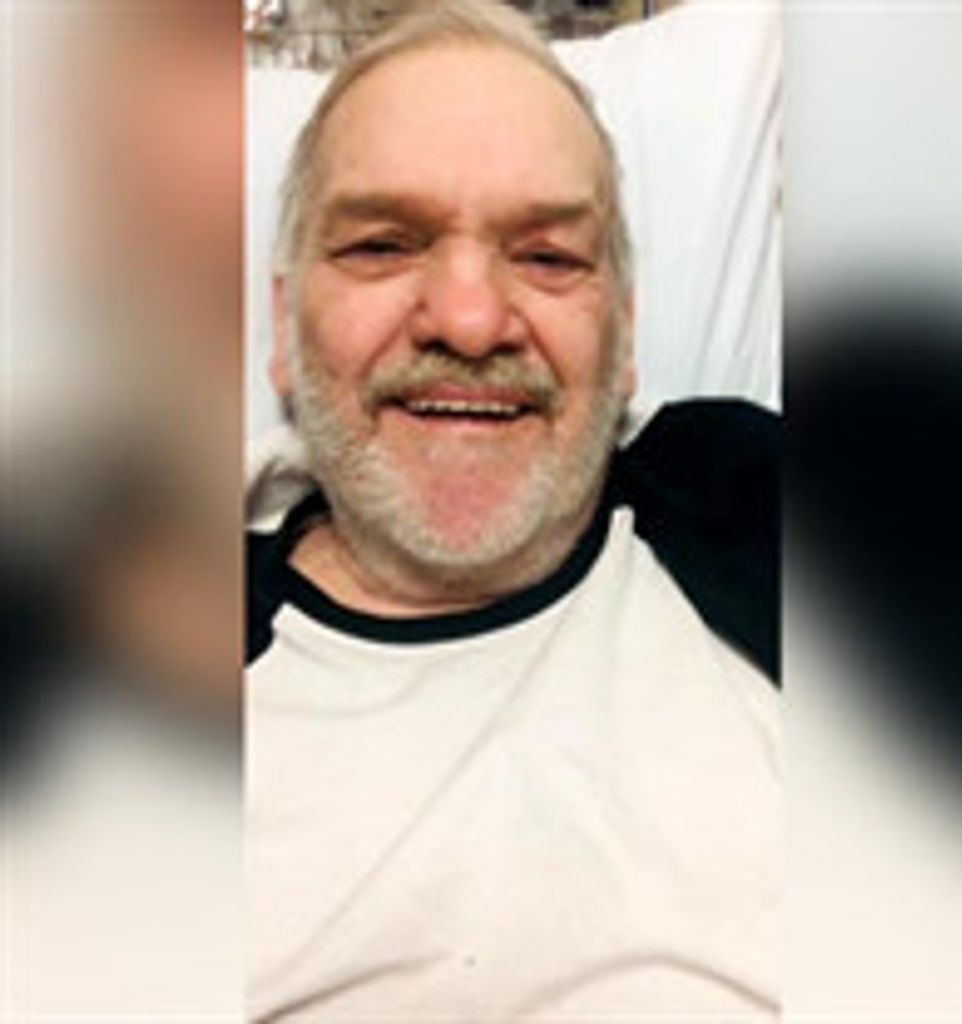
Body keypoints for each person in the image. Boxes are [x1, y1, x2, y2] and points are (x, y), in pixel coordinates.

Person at [246, 1, 779, 1018]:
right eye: (381, 245)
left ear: (623, 338)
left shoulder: (746, 498)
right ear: (282, 329)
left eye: (548, 258)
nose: (470, 319)